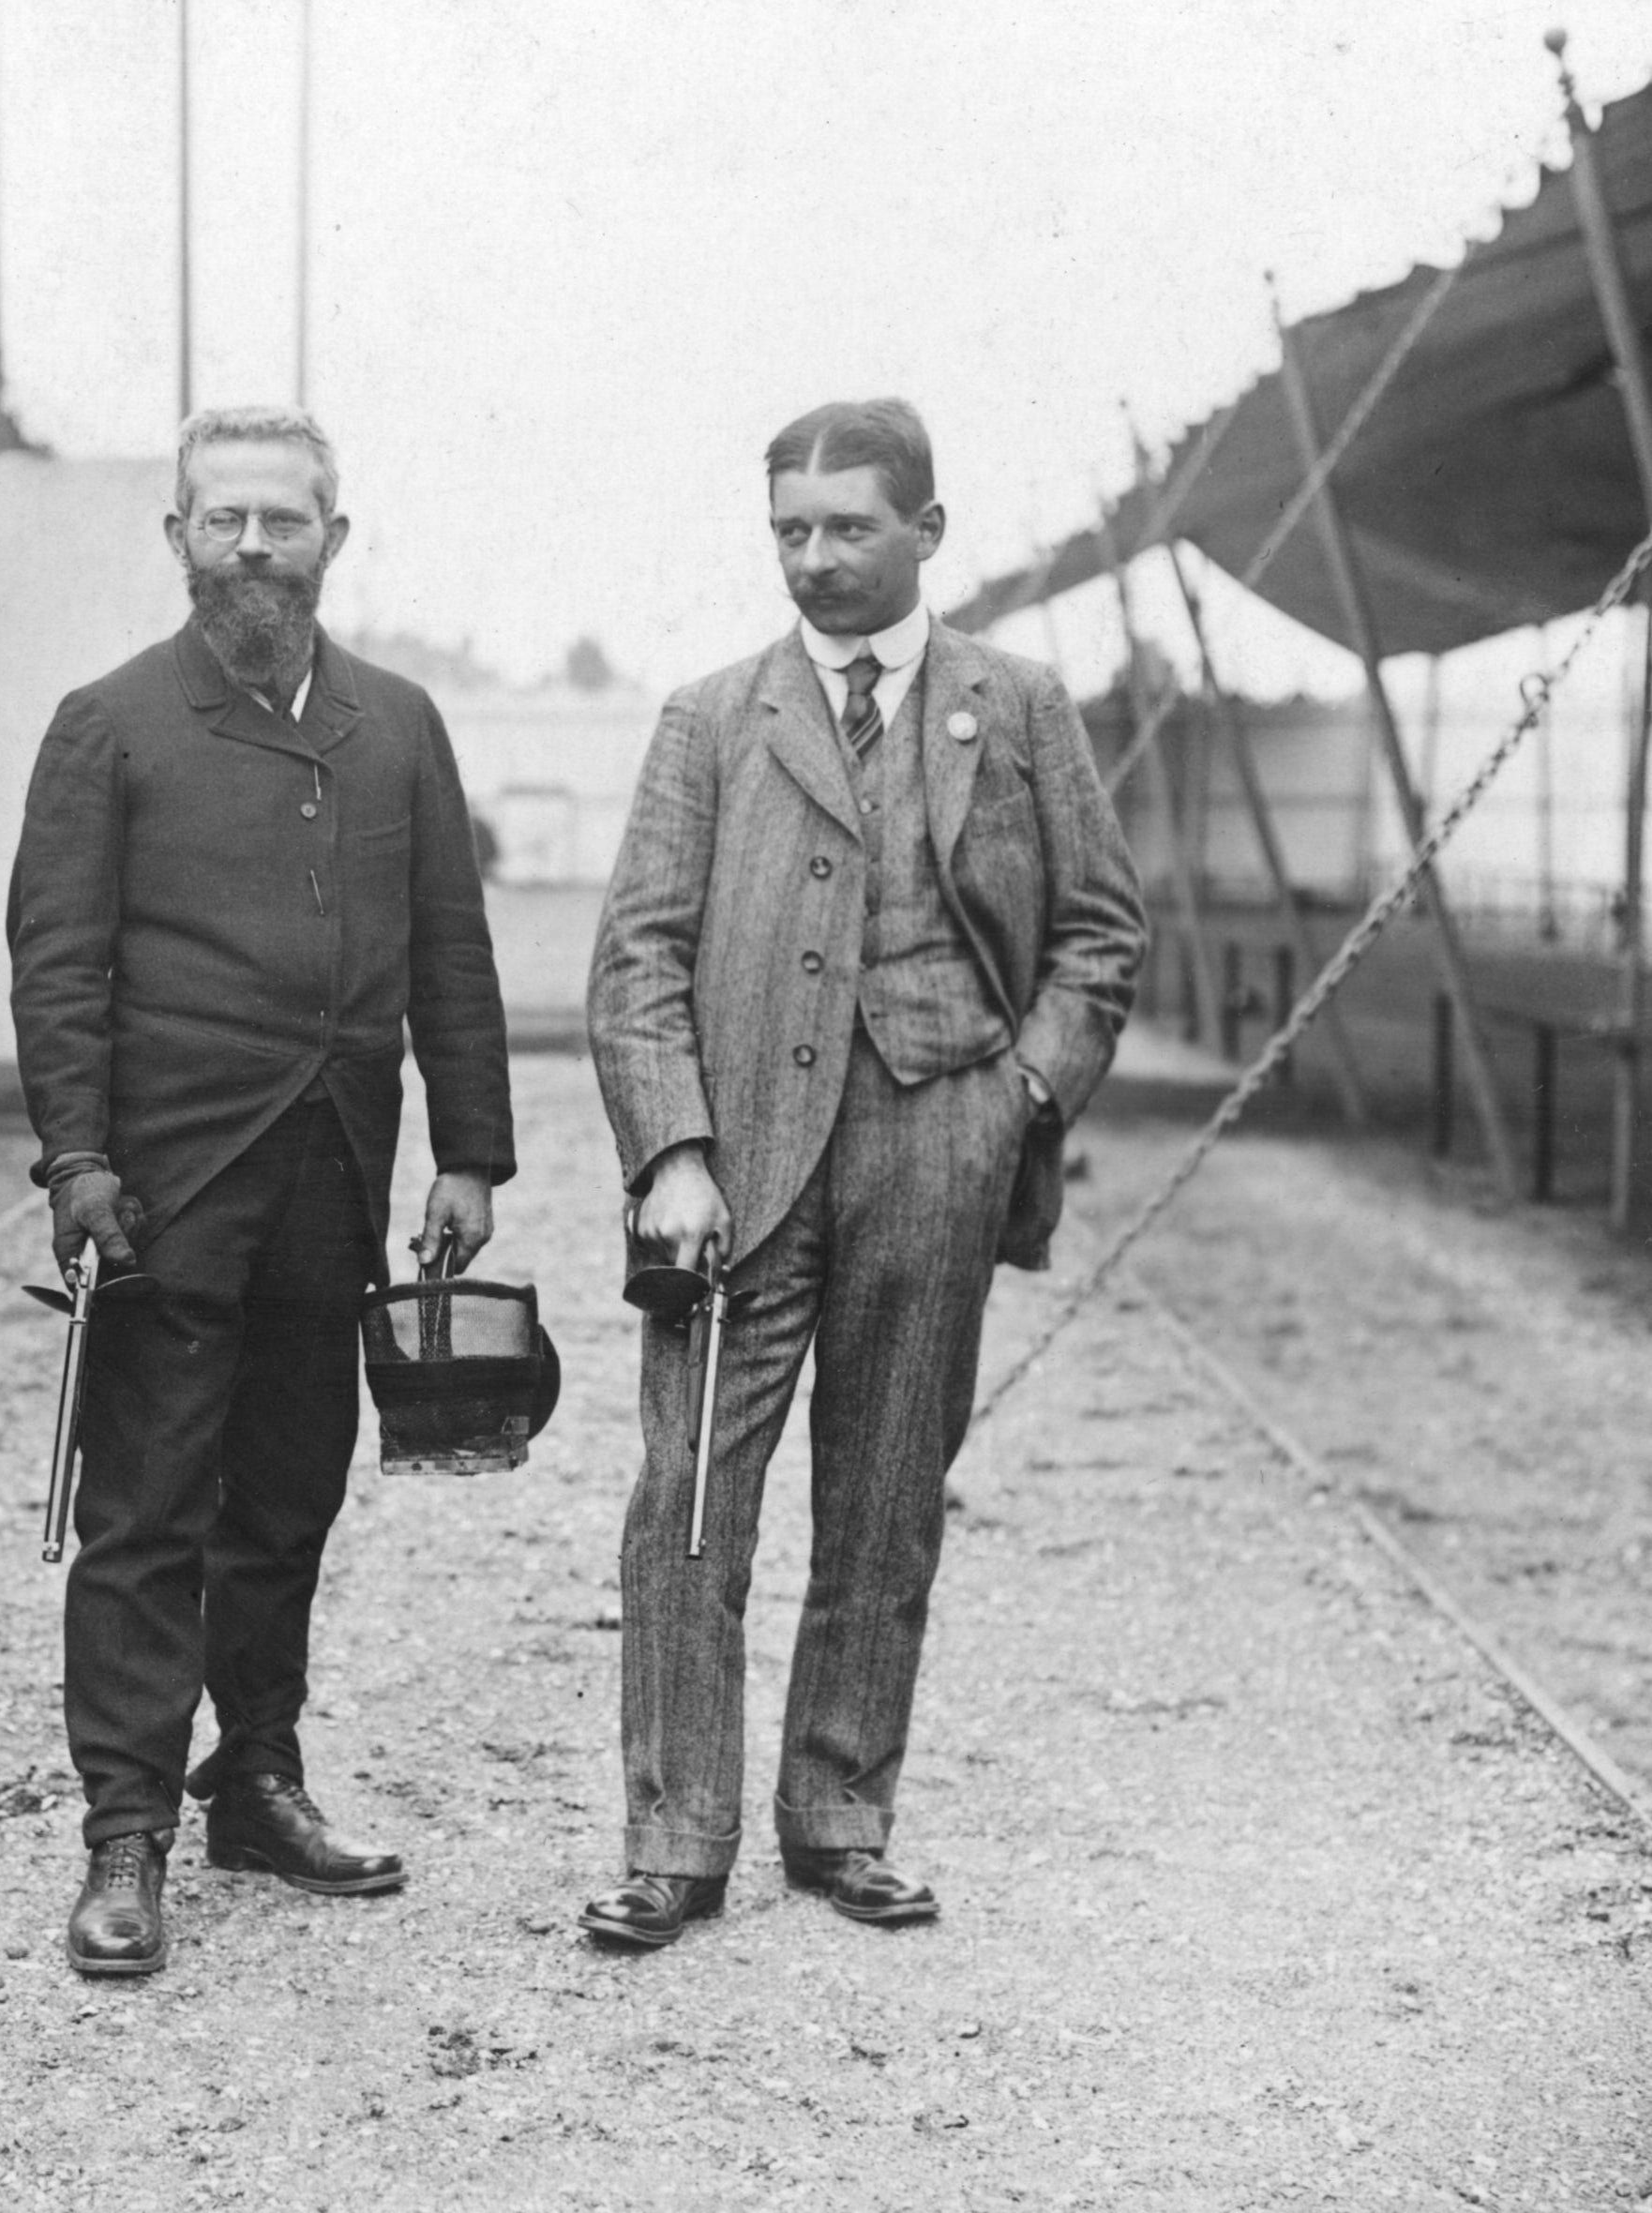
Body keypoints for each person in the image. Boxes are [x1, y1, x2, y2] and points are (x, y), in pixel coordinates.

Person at [581, 399, 1143, 1949]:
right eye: (788, 531)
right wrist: (673, 1152)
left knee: (887, 1500)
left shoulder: (1013, 706)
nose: (812, 560)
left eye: (844, 528)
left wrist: (1019, 1093)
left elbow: (1102, 930)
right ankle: (673, 1843)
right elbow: (634, 957)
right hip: (738, 1168)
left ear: (925, 533)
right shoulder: (709, 718)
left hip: (936, 1149)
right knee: (687, 1498)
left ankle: (839, 1820)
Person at [8, 406, 516, 1978]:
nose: (249, 548)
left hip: (337, 1181)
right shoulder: (108, 726)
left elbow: (449, 949)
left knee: (289, 1495)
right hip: (162, 1190)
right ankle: (124, 1838)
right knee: (147, 1508)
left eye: (279, 522)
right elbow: (57, 965)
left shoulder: (398, 724)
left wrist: (471, 1152)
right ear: (175, 539)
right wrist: (78, 1161)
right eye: (218, 520)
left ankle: (259, 1779)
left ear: (332, 540)